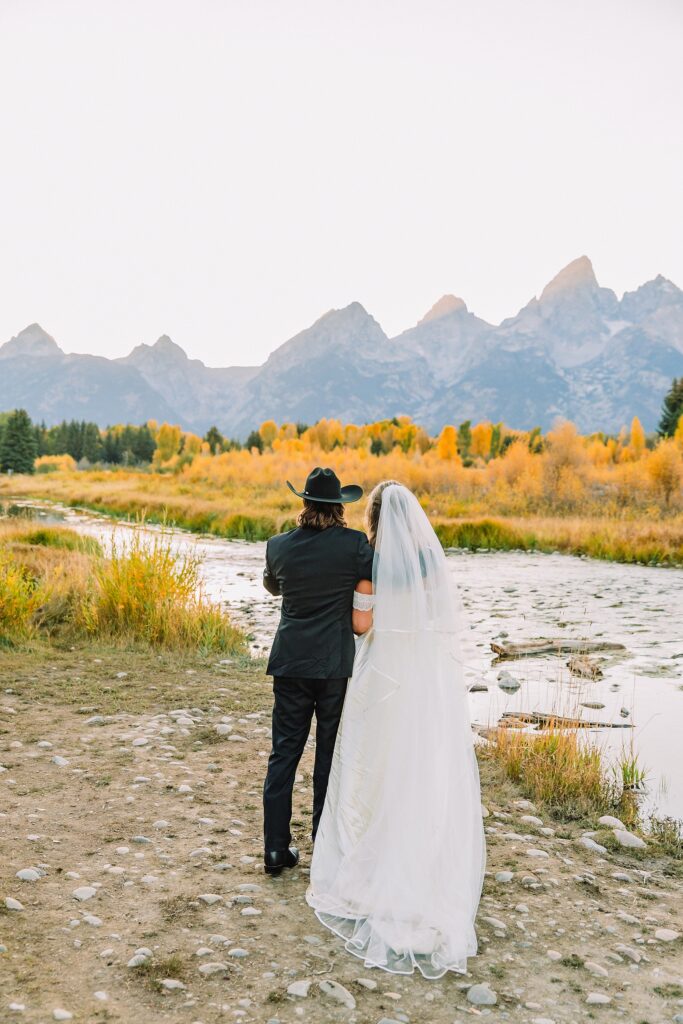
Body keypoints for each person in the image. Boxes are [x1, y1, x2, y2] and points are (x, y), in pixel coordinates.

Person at [307, 480, 486, 978]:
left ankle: (370, 862)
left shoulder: (373, 563)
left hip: (382, 677)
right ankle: (423, 865)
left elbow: (362, 627)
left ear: (375, 519)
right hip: (422, 684)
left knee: (371, 768)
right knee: (420, 769)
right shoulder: (431, 564)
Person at [261, 466, 375, 876]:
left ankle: (275, 849)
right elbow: (376, 577)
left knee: (284, 755)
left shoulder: (278, 545)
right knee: (328, 757)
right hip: (333, 667)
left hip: (290, 663)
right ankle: (322, 846)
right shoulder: (355, 546)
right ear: (339, 509)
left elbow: (273, 587)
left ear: (305, 503)